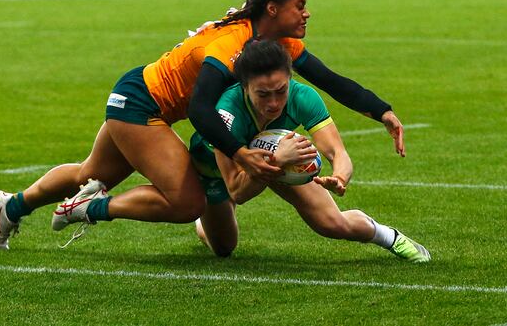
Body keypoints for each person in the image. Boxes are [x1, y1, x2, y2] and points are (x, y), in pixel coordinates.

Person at [0, 0, 406, 250]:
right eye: (299, 4)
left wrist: (382, 111)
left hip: (139, 94)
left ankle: (13, 207)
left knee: (88, 174)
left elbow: (331, 80)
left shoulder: (275, 46)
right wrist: (242, 155)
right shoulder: (230, 45)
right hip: (141, 104)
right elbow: (202, 110)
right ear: (272, 10)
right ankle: (90, 208)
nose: (306, 12)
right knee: (187, 203)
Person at [183, 40, 430, 262]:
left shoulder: (302, 97)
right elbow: (238, 191)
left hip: (279, 158)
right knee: (224, 247)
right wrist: (277, 160)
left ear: (289, 79)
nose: (274, 103)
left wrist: (340, 176)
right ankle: (204, 219)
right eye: (263, 94)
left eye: (281, 90)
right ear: (244, 86)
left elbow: (338, 153)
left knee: (331, 223)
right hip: (217, 171)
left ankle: (391, 237)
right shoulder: (226, 112)